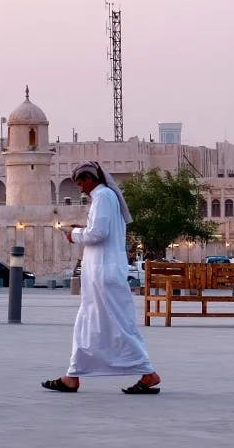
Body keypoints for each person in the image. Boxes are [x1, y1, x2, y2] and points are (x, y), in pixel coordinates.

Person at [42, 162, 161, 395]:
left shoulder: (104, 196)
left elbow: (98, 233)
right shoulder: (103, 197)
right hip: (100, 271)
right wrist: (81, 229)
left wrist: (74, 234)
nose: (80, 189)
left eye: (80, 183)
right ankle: (72, 375)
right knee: (89, 323)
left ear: (89, 178)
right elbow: (98, 229)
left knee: (116, 324)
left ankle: (148, 373)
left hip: (104, 273)